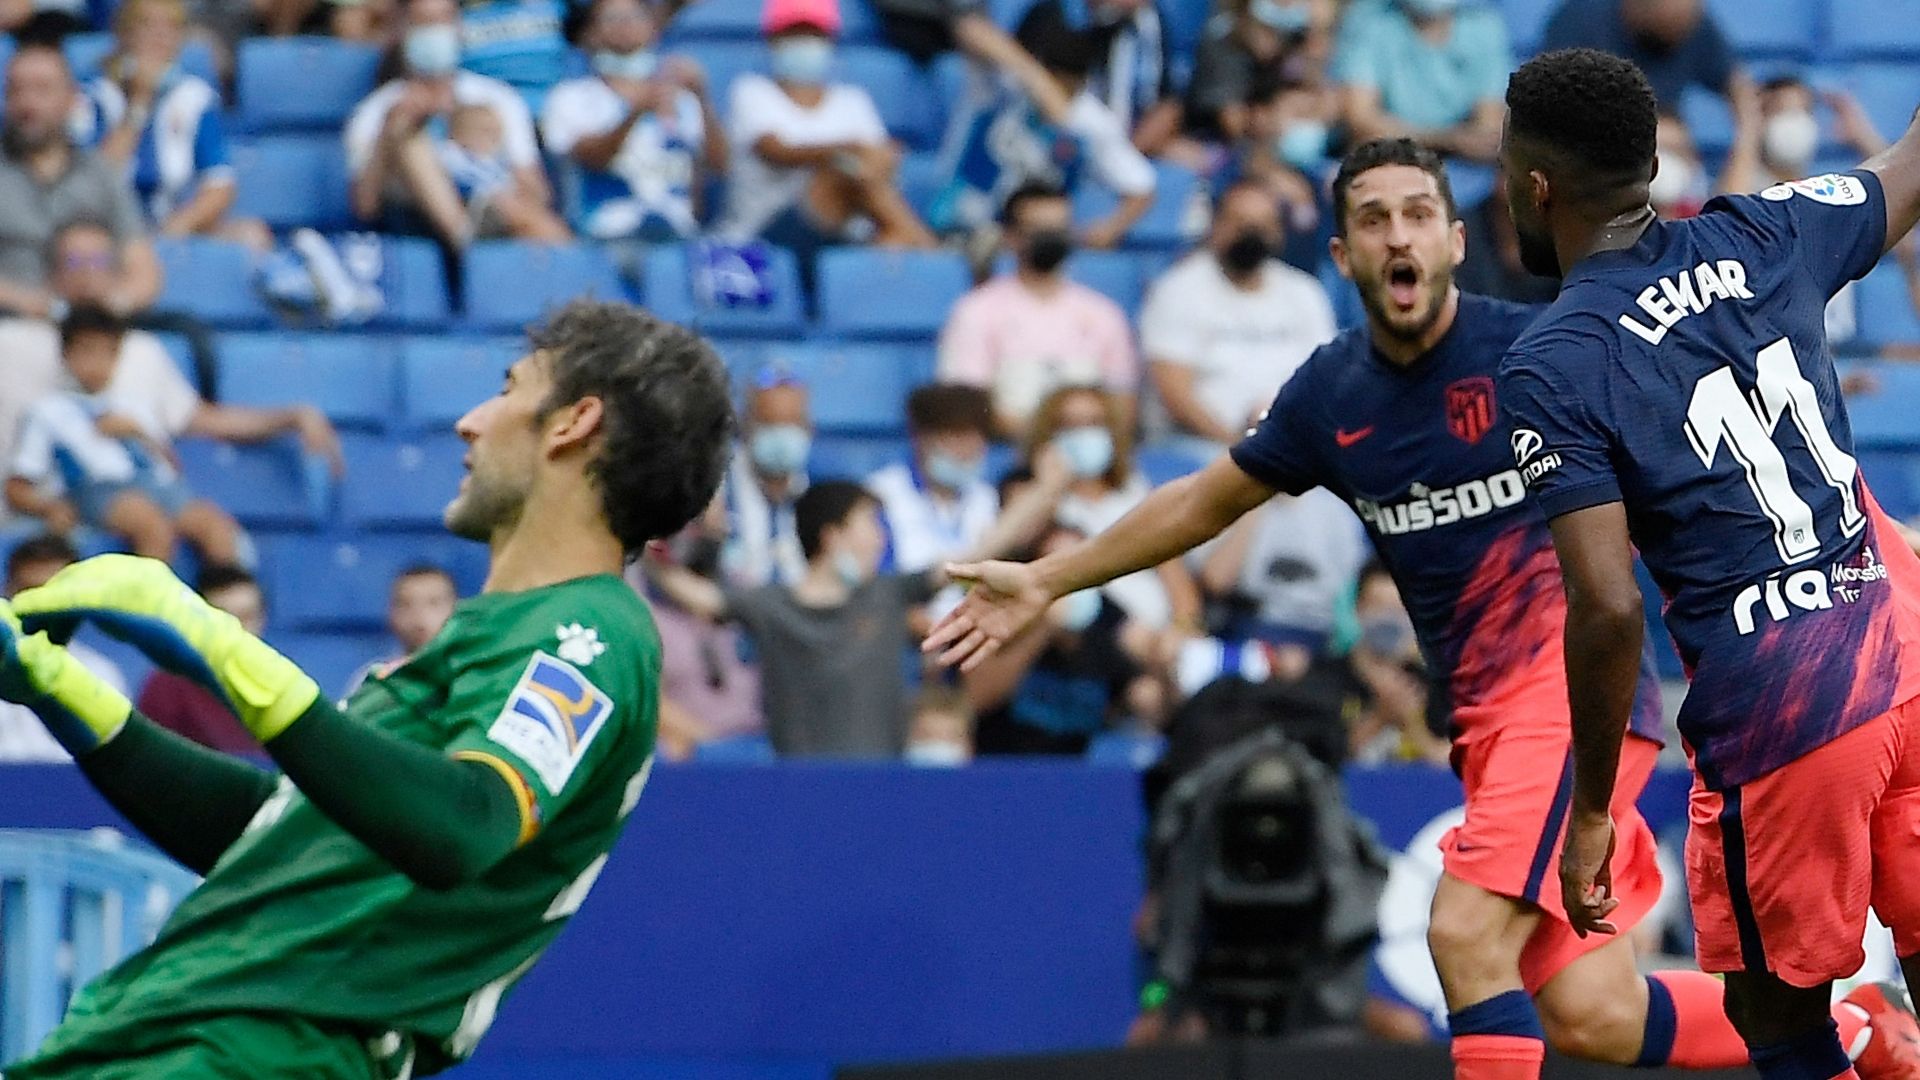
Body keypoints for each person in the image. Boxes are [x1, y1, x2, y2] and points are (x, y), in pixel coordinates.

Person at [924, 137, 1916, 1080]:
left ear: (1452, 239)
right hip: (1485, 725)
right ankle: (1864, 1030)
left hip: (1569, 703)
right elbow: (1202, 500)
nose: (1396, 234)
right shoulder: (1329, 393)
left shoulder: (1543, 354)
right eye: (1371, 218)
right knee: (1596, 1016)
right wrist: (1049, 579)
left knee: (1462, 933)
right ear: (1341, 253)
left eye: (1416, 213)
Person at [0, 299, 735, 1076]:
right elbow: (277, 841)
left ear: (572, 423)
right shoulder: (498, 636)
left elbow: (468, 822)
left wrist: (227, 652)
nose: (471, 422)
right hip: (161, 1037)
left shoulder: (591, 631)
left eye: (508, 389)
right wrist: (68, 695)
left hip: (268, 1052)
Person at [1497, 47, 1920, 1080]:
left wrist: (1593, 809)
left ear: (1537, 186)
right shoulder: (1769, 228)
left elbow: (1605, 609)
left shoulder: (1555, 362)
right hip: (1904, 654)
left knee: (1774, 1017)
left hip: (1788, 711)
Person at [6, 306, 242, 564]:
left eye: (108, 353)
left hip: (155, 486)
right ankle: (149, 604)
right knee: (151, 526)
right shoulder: (48, 412)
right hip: (95, 490)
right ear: (66, 355)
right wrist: (50, 507)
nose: (96, 364)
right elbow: (18, 485)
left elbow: (171, 467)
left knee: (215, 527)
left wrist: (138, 434)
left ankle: (222, 596)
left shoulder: (135, 407)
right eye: (86, 351)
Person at [344, 0, 567, 251]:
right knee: (408, 138)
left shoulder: (497, 98)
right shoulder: (377, 111)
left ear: (459, 26)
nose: (436, 31)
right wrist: (388, 136)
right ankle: (468, 240)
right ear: (403, 30)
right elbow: (365, 207)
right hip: (415, 231)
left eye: (444, 20)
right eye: (425, 22)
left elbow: (537, 192)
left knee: (526, 218)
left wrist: (483, 156)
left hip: (502, 217)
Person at [716, 0, 935, 253]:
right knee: (842, 174)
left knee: (893, 240)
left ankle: (923, 250)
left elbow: (878, 162)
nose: (806, 42)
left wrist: (876, 158)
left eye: (814, 34)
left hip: (844, 232)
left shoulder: (853, 99)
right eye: (795, 34)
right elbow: (776, 150)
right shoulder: (752, 91)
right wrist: (847, 150)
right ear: (773, 39)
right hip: (764, 233)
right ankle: (938, 252)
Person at [1139, 179, 1337, 457]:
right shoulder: (1179, 290)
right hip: (1202, 448)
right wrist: (1243, 451)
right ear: (1215, 225)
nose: (1252, 234)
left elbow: (1325, 382)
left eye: (1263, 225)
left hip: (1292, 450)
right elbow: (1175, 394)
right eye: (1240, 223)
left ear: (1279, 232)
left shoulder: (1303, 292)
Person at [928, 9, 1155, 247]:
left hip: (1032, 246)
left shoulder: (1091, 124)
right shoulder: (1002, 85)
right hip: (959, 227)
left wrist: (1107, 230)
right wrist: (1034, 78)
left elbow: (1141, 187)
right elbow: (968, 26)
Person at [937, 183, 1139, 440]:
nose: (1051, 238)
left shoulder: (1103, 313)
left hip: (1092, 455)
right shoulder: (976, 311)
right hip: (1011, 455)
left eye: (1059, 229)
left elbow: (1122, 400)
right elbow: (970, 404)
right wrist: (1044, 437)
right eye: (1039, 230)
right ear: (1011, 236)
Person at [73, 0, 270, 249]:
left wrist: (180, 224)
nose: (160, 36)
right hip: (104, 232)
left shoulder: (195, 97)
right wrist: (139, 101)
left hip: (172, 226)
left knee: (253, 236)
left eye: (171, 27)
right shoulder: (92, 97)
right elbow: (95, 183)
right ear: (123, 33)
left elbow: (220, 185)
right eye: (148, 24)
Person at [540, 0, 726, 246]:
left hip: (678, 235)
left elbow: (720, 166)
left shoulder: (683, 100)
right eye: (612, 17)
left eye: (635, 15)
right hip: (604, 235)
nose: (625, 24)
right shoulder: (569, 97)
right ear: (589, 34)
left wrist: (702, 96)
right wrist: (635, 112)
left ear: (653, 28)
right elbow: (593, 159)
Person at [0, 44, 162, 322]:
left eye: (42, 90)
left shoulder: (100, 173)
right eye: (16, 91)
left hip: (98, 329)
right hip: (11, 327)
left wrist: (106, 309)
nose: (28, 104)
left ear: (71, 98)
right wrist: (38, 306)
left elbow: (143, 271)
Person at [965, 521, 1156, 755]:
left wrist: (1158, 667)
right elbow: (976, 699)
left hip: (1077, 778)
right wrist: (1043, 628)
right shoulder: (1004, 624)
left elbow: (1148, 701)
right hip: (1005, 769)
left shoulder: (1106, 629)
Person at [1025, 384, 1199, 632]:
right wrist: (1050, 486)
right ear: (1049, 434)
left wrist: (1182, 630)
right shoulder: (1033, 497)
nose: (1084, 434)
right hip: (1093, 638)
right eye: (1070, 425)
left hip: (1161, 637)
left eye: (1094, 423)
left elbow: (1176, 579)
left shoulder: (1134, 492)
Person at [1540, 0, 1757, 143]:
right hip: (1592, 151)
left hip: (1668, 147)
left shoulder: (1691, 22)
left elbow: (1736, 84)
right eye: (1669, 23)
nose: (1680, 32)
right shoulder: (1580, 21)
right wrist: (1654, 133)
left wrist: (1746, 140)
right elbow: (1557, 111)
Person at [0, 535, 128, 763]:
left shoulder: (103, 674)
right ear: (7, 591)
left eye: (52, 592)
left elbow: (116, 762)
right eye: (28, 590)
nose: (40, 604)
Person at [1333, 0, 1510, 163]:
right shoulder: (1369, 22)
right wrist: (1447, 140)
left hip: (1464, 167)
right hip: (1391, 158)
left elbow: (1489, 124)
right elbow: (1361, 120)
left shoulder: (1483, 25)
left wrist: (1466, 141)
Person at [866, 383, 999, 576]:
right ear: (920, 437)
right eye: (956, 435)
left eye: (977, 436)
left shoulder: (986, 498)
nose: (968, 449)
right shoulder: (883, 492)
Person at [137, 563, 267, 756]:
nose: (239, 630)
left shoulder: (276, 678)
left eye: (248, 617)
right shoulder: (168, 685)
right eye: (226, 618)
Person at [1185, 0, 1332, 143]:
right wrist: (1272, 118)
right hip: (1214, 142)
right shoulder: (1224, 42)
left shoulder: (1292, 36)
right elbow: (1233, 124)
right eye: (1266, 30)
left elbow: (1320, 96)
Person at [720, 373, 812, 588]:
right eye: (770, 422)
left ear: (808, 427)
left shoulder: (819, 488)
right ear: (747, 424)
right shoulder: (715, 488)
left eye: (791, 423)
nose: (781, 435)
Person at [344, 563, 460, 694]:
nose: (420, 616)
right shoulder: (372, 680)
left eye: (434, 603)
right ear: (390, 612)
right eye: (406, 604)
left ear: (458, 608)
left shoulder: (471, 675)